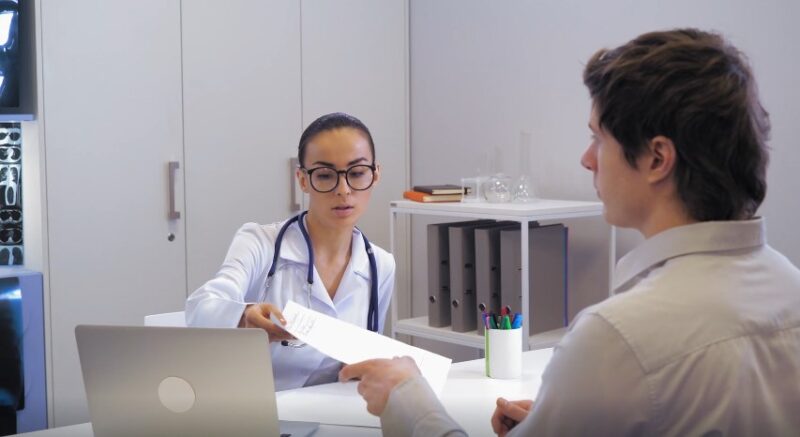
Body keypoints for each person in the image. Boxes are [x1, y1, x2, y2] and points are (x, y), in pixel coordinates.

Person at [339, 28, 800, 436]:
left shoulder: (617, 338)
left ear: (657, 158)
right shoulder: (790, 287)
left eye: (599, 138)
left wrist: (407, 398)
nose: (587, 159)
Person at [186, 112, 395, 391]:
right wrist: (244, 316)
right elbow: (201, 307)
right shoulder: (260, 243)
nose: (343, 190)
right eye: (325, 175)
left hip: (336, 416)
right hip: (260, 416)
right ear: (303, 179)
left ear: (375, 174)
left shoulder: (379, 264)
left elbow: (361, 358)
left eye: (356, 173)